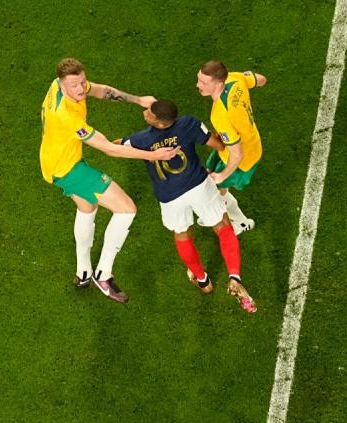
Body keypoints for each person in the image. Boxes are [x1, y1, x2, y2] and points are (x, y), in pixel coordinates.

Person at [40, 58, 179, 304]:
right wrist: (152, 155)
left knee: (87, 207)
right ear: (62, 86)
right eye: (74, 86)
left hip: (56, 162)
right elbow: (108, 148)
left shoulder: (59, 84)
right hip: (68, 169)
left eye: (82, 82)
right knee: (126, 209)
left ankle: (83, 272)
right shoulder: (66, 116)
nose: (81, 89)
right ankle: (103, 274)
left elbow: (100, 91)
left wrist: (138, 100)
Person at [120, 99, 256, 313]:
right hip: (199, 186)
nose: (145, 112)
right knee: (222, 225)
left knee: (182, 233)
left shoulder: (141, 139)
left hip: (170, 197)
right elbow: (218, 144)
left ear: (161, 123)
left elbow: (115, 146)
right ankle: (234, 276)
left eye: (149, 112)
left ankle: (202, 280)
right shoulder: (189, 124)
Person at [195, 60, 267, 235]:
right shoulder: (234, 79)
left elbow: (237, 154)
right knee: (213, 183)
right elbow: (261, 80)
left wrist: (222, 175)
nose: (198, 85)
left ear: (219, 83)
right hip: (242, 142)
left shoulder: (220, 115)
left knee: (216, 187)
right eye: (199, 79)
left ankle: (242, 222)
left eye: (204, 82)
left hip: (243, 158)